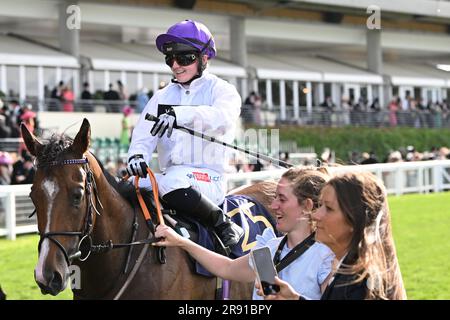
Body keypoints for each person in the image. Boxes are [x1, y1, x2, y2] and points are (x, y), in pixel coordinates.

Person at [126, 20, 244, 247]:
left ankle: (223, 223)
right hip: (172, 178)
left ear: (204, 58)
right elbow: (143, 135)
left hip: (209, 178)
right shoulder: (161, 97)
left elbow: (223, 119)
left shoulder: (223, 91)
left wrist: (181, 115)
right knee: (128, 184)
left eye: (184, 58)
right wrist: (137, 156)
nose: (176, 66)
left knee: (172, 181)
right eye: (170, 59)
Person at [154, 167, 335, 300]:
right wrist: (181, 242)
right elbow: (227, 268)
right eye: (274, 198)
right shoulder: (270, 248)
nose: (273, 206)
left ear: (307, 207)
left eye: (282, 199)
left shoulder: (327, 255)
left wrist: (295, 299)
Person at [258, 172, 407, 300]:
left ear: (353, 220)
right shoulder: (348, 268)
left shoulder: (359, 282)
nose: (315, 215)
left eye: (328, 208)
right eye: (320, 205)